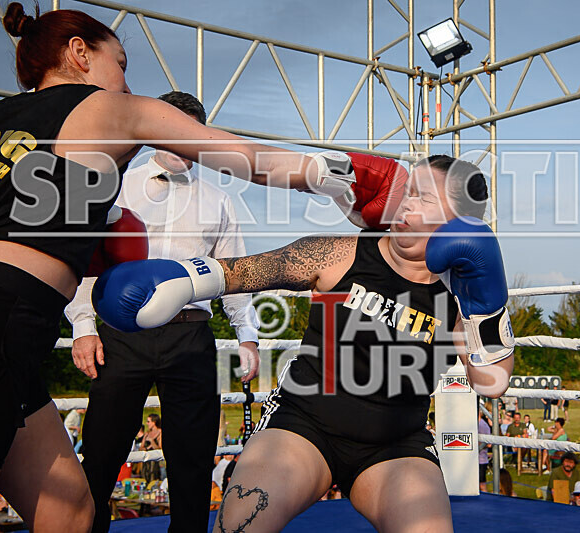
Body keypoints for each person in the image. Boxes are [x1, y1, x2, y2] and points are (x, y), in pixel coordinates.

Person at [0, 3, 379, 531]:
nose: (124, 78)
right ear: (79, 53)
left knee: (69, 512)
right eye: (120, 61)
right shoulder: (109, 109)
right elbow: (249, 157)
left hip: (3, 323)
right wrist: (345, 175)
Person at [92, 155, 517, 532]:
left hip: (396, 444)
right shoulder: (340, 254)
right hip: (302, 426)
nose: (405, 204)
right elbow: (245, 271)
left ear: (459, 222)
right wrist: (181, 280)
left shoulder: (466, 297)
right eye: (409, 192)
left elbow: (492, 381)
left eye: (424, 198)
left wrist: (487, 306)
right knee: (240, 525)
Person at [64, 90, 262, 533]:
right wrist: (82, 326)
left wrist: (247, 335)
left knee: (192, 458)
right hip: (120, 335)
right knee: (101, 451)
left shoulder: (220, 201)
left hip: (190, 336)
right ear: (155, 135)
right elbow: (84, 260)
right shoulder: (116, 185)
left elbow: (232, 272)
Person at [478, 408, 491, 492]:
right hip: (473, 460)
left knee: (482, 484)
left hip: (481, 460)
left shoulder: (483, 425)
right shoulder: (473, 424)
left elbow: (489, 443)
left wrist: (477, 445)